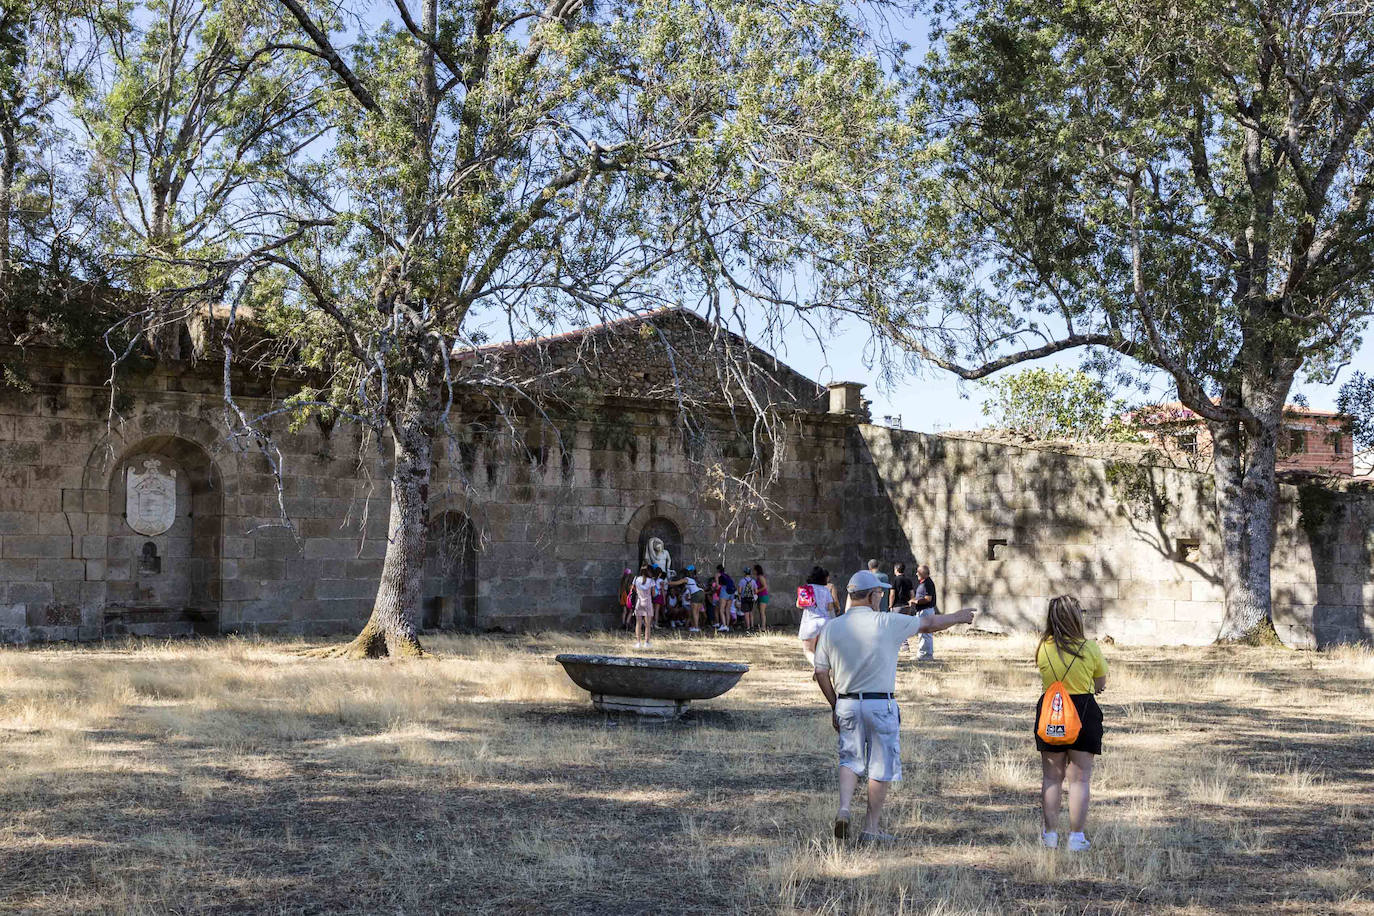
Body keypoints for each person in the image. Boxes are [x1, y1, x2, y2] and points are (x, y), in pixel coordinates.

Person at [812, 570, 975, 843]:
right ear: (874, 595)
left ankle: (843, 809)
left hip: (847, 703)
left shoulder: (831, 627)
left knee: (849, 759)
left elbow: (820, 672)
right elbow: (929, 623)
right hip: (880, 703)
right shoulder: (886, 622)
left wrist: (834, 704)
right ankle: (871, 829)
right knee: (880, 766)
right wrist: (958, 617)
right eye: (879, 592)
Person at [1034, 595, 1107, 852]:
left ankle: (1050, 836)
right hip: (1083, 712)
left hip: (1051, 711)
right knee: (1079, 780)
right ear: (1076, 618)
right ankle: (1076, 838)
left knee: (1051, 778)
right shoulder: (1090, 648)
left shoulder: (1043, 647)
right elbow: (1100, 683)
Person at [798, 566, 836, 663]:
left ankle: (817, 668)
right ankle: (821, 670)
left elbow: (799, 605)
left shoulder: (806, 589)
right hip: (825, 622)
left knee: (808, 650)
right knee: (821, 652)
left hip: (810, 621)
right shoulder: (826, 590)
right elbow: (830, 607)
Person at [912, 564, 938, 661]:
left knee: (925, 633)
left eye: (918, 572)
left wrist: (915, 601)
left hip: (926, 611)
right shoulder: (924, 582)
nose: (916, 574)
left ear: (923, 573)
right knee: (923, 633)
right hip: (923, 611)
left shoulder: (927, 583)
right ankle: (923, 654)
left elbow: (928, 599)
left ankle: (925, 655)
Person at [631, 564, 656, 649]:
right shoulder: (651, 581)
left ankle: (638, 643)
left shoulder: (636, 579)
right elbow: (653, 594)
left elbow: (633, 588)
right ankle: (647, 642)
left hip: (639, 602)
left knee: (638, 623)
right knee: (647, 624)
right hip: (648, 602)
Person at [714, 565, 736, 632]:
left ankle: (724, 625)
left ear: (718, 570)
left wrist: (714, 589)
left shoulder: (717, 574)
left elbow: (717, 586)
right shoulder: (727, 575)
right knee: (727, 610)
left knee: (721, 609)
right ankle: (727, 626)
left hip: (724, 590)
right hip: (731, 591)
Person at [753, 564, 770, 631]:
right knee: (760, 612)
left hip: (763, 596)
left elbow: (765, 586)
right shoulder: (758, 577)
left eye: (754, 570)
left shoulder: (760, 577)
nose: (753, 571)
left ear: (757, 570)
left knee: (762, 612)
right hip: (760, 596)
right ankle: (762, 626)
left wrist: (757, 591)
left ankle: (763, 627)